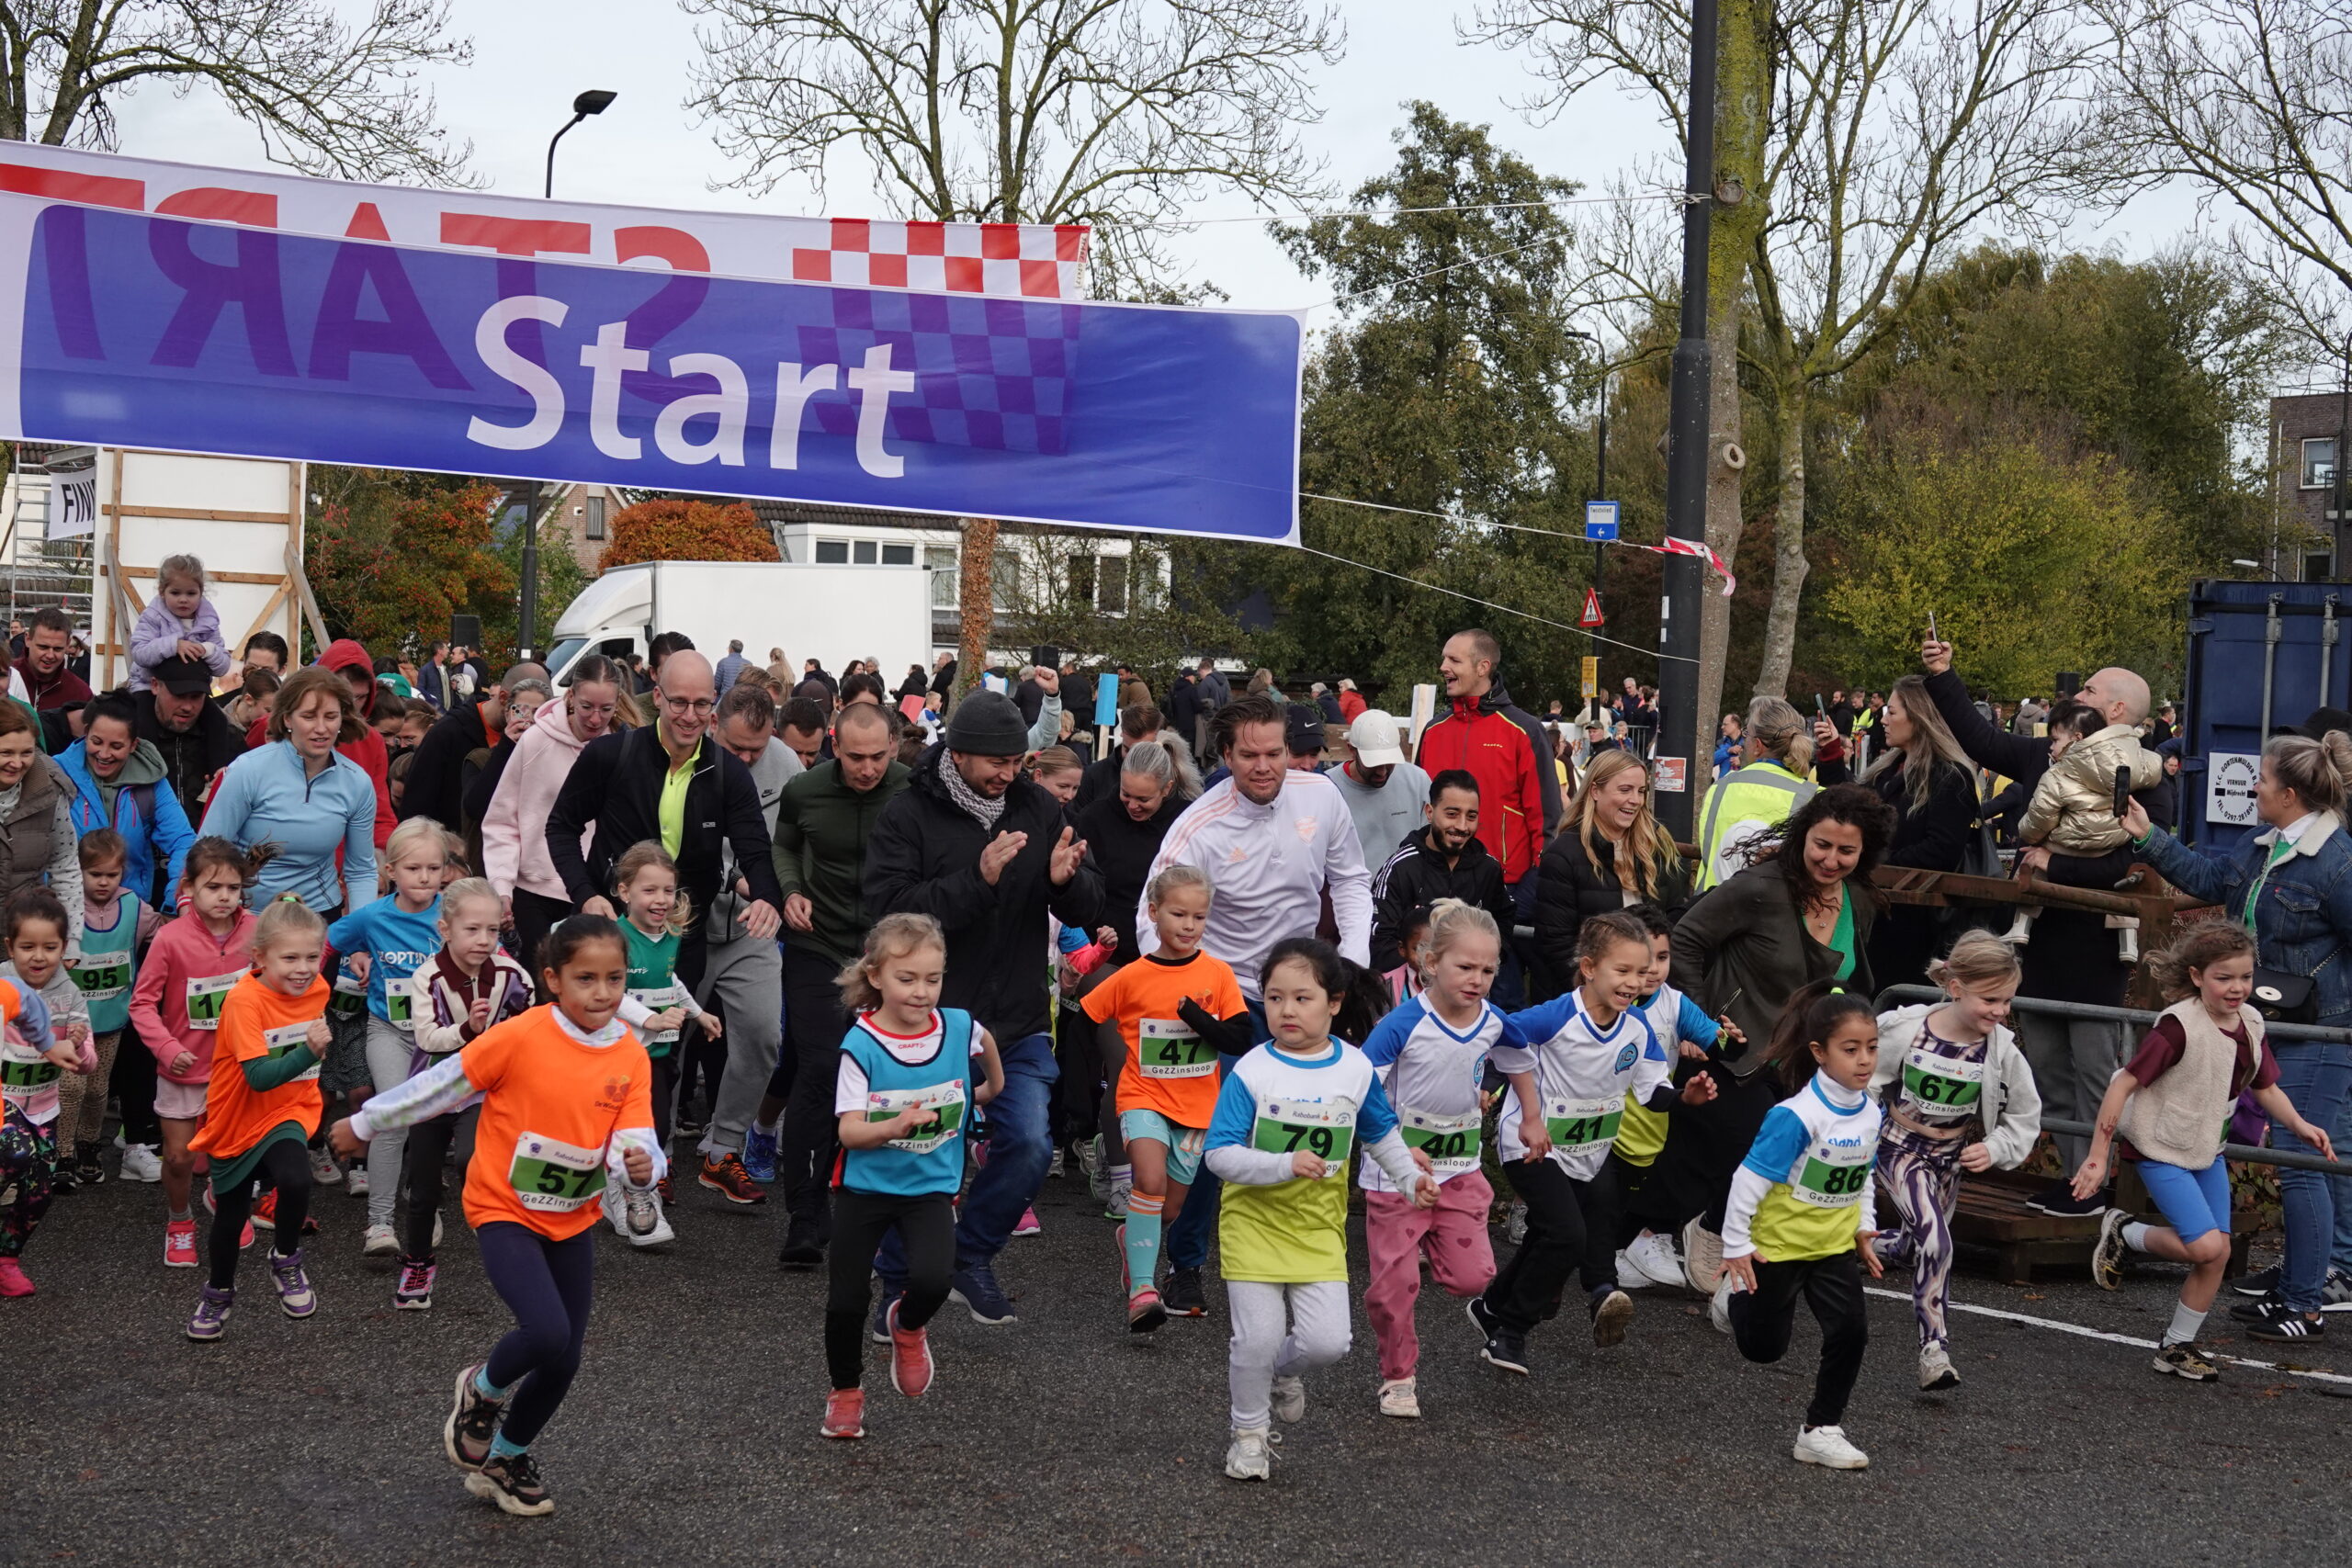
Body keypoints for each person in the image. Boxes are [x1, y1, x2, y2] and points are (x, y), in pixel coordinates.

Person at [332, 914, 664, 1517]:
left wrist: (641, 1165)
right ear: (553, 979)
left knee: (565, 1358)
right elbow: (443, 1084)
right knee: (547, 1331)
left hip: (572, 1213)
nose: (602, 992)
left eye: (615, 978)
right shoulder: (522, 1035)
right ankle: (482, 1389)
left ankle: (505, 1459)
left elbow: (634, 1132)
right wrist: (365, 1121)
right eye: (586, 978)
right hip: (503, 1205)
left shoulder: (629, 1053)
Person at [862, 689, 1103, 1325]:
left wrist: (1065, 882)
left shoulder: (1037, 806)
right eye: (997, 763)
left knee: (1029, 1143)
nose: (1008, 774)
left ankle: (967, 1257)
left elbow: (1088, 896)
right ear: (959, 754)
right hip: (931, 1024)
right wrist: (979, 879)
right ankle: (897, 1283)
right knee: (920, 1152)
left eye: (1018, 762)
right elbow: (888, 913)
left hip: (1018, 1019)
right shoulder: (907, 812)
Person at [1140, 692, 1374, 1317]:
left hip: (1300, 985)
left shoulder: (1321, 796)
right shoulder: (1199, 825)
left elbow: (1351, 878)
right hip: (1224, 993)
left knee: (1299, 1119)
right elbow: (1150, 912)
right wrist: (1180, 990)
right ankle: (1185, 1262)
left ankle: (1294, 1253)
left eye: (1275, 753)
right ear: (1226, 755)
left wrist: (1352, 960)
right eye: (1250, 756)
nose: (1265, 766)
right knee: (1212, 1134)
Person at [1921, 635, 2165, 1218]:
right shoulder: (2045, 755)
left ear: (2116, 710)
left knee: (2094, 1070)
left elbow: (2135, 857)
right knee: (2048, 1069)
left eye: (2089, 689)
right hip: (2036, 936)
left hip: (2099, 943)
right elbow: (1981, 740)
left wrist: (2056, 864)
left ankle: (2093, 1184)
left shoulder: (2145, 774)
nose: (2076, 694)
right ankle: (2071, 1181)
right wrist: (1943, 674)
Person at [2125, 732, 2352, 1336]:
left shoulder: (2338, 861)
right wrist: (2148, 836)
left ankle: (2304, 1303)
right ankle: (2306, 1284)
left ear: (2290, 793)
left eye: (2264, 778)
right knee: (2306, 1158)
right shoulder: (2264, 846)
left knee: (2299, 1161)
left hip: (2322, 1029)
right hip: (2268, 1020)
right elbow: (2211, 878)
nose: (2254, 787)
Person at [1648, 784, 1894, 1295]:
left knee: (1790, 1156)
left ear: (1864, 852)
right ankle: (1705, 1233)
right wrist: (1701, 1023)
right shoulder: (1760, 887)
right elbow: (1686, 940)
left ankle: (1733, 1251)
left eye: (1846, 850)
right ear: (1803, 836)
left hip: (1804, 1058)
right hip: (1737, 1049)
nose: (1830, 859)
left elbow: (1849, 978)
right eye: (1821, 845)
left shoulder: (1860, 901)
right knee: (1747, 1145)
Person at [1203, 938, 1432, 1482]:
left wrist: (1411, 1180)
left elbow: (1381, 1133)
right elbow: (1219, 1153)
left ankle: (1281, 1372)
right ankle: (1249, 1436)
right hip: (1253, 1224)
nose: (1287, 1010)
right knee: (1255, 1340)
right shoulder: (1253, 1070)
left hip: (1319, 1229)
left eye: (1302, 998)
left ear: (1334, 1003)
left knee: (1328, 1343)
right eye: (1275, 998)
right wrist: (1283, 1164)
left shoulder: (1353, 1068)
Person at [1473, 910, 1716, 1377]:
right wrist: (1489, 1085)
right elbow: (1497, 1035)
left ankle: (1492, 1306)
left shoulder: (1637, 1029)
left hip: (1590, 1153)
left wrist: (1685, 1097)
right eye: (1622, 970)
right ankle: (1510, 1331)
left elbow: (1653, 1092)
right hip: (1532, 1145)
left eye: (1642, 972)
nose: (1634, 982)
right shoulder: (1554, 1017)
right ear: (1589, 968)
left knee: (1550, 1234)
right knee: (1568, 1235)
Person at [2084, 923, 2336, 1369]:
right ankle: (2127, 1232)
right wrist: (2097, 1156)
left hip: (2206, 1151)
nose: (2237, 988)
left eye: (2246, 977)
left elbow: (2265, 1087)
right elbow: (2122, 1084)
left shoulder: (2252, 1022)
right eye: (2224, 978)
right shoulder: (2178, 1028)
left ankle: (2176, 1346)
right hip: (2161, 1147)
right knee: (2205, 1248)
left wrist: (2301, 1125)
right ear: (2197, 976)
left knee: (2217, 1255)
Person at [543, 655, 784, 1077]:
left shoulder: (727, 772)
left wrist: (766, 896)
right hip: (611, 932)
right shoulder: (611, 754)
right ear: (657, 697)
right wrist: (585, 894)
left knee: (662, 1057)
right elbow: (561, 826)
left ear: (714, 703)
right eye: (678, 702)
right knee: (593, 1050)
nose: (690, 716)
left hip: (679, 940)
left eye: (701, 704)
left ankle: (656, 1122)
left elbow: (755, 848)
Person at [818, 913, 1004, 1439]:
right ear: (876, 976)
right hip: (865, 1189)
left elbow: (985, 1043)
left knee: (934, 1280)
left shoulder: (958, 1026)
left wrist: (990, 1088)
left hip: (930, 1188)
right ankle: (846, 1392)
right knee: (847, 1301)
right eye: (907, 979)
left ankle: (908, 1324)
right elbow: (850, 1131)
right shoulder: (861, 1045)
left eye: (933, 978)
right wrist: (893, 1125)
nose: (922, 992)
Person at [1360, 900, 1532, 1417]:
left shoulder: (1494, 1022)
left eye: (1488, 970)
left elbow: (1519, 1062)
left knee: (1472, 1279)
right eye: (1465, 967)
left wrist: (1532, 1116)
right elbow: (1361, 1086)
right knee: (1396, 1287)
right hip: (1395, 1174)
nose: (1477, 980)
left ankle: (1436, 1239)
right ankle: (1398, 1378)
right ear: (1430, 963)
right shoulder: (1402, 1024)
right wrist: (1395, 1145)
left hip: (1459, 1171)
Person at [1713, 982, 1884, 1472]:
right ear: (1819, 1052)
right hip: (1778, 1249)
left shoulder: (1871, 1110)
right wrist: (1736, 1246)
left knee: (1851, 1332)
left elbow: (1863, 1175)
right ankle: (1732, 1298)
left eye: (1871, 1047)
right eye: (1850, 1049)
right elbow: (1747, 1180)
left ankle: (1820, 1430)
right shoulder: (1796, 1116)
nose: (1864, 1060)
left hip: (1832, 1249)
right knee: (1764, 1349)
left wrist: (1864, 1227)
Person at [768, 700, 910, 1266]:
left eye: (877, 757)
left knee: (886, 1076)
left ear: (893, 746)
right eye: (855, 757)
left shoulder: (912, 790)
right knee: (821, 1068)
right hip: (818, 946)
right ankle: (804, 1215)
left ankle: (878, 1206)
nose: (867, 769)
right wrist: (790, 890)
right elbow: (783, 845)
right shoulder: (804, 790)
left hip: (888, 952)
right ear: (834, 745)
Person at [1869, 932, 2042, 1390]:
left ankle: (1858, 1242)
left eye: (2007, 1001)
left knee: (1916, 1249)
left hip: (1950, 1161)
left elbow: (2026, 1113)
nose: (2000, 1011)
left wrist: (1996, 1147)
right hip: (1900, 1148)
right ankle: (1934, 1352)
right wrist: (1858, 1131)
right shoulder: (1908, 1028)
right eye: (1990, 999)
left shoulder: (2001, 1050)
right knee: (1938, 1244)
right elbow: (1866, 1077)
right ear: (1955, 987)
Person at [1079, 863, 1246, 1333]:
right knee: (1148, 1181)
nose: (1189, 926)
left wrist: (1198, 1018)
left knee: (1167, 1209)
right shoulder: (1132, 976)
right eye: (1179, 914)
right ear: (1153, 913)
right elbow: (1085, 1017)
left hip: (1196, 1109)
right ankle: (1143, 1292)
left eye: (1199, 917)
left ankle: (1130, 1237)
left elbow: (1239, 1036)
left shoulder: (1218, 974)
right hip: (1143, 1095)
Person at [183, 895, 333, 1342]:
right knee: (231, 1218)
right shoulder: (243, 1001)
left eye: (312, 957)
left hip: (289, 1109)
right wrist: (310, 1051)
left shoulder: (319, 990)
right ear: (260, 957)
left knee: (297, 1179)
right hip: (237, 1115)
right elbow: (259, 1077)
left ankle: (286, 1258)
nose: (303, 969)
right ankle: (218, 1293)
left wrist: (309, 1055)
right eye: (290, 958)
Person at [395, 877, 532, 1312]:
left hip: (481, 1090)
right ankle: (418, 1262)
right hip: (433, 1089)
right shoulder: (427, 977)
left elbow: (529, 1021)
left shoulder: (511, 974)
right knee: (422, 1190)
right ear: (445, 929)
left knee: (469, 1158)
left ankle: (495, 1220)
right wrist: (468, 1030)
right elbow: (427, 1037)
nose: (484, 940)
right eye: (472, 929)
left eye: (492, 930)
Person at [687, 681, 797, 1201]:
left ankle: (724, 1149)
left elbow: (793, 840)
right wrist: (737, 878)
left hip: (753, 925)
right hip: (684, 923)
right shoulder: (683, 759)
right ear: (713, 725)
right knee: (664, 1044)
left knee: (762, 1035)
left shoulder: (786, 764)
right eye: (737, 748)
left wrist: (783, 888)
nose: (749, 759)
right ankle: (648, 1156)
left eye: (759, 747)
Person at [131, 839, 264, 1268]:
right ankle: (179, 1220)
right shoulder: (169, 939)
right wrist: (166, 1048)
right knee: (178, 1156)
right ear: (189, 887)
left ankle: (226, 1203)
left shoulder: (257, 931)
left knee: (232, 1152)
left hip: (236, 1068)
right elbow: (142, 1003)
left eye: (233, 888)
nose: (225, 897)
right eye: (213, 887)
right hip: (183, 1066)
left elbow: (276, 986)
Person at [325, 818, 446, 1254]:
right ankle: (379, 1223)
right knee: (393, 1116)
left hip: (441, 1038)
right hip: (388, 1030)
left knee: (430, 1124)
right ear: (391, 871)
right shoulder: (374, 915)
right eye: (414, 868)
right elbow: (328, 940)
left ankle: (423, 1201)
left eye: (434, 868)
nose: (425, 877)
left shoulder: (452, 913)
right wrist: (356, 950)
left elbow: (492, 950)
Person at [481, 655, 631, 982]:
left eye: (606, 709)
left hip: (597, 892)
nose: (595, 718)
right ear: (571, 696)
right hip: (535, 891)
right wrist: (502, 886)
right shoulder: (536, 740)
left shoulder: (622, 749)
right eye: (587, 706)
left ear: (618, 703)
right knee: (542, 991)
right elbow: (502, 820)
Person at [200, 667, 378, 919]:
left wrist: (361, 931)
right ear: (287, 719)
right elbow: (207, 851)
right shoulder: (248, 770)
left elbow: (361, 870)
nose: (321, 728)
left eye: (330, 716)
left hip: (317, 916)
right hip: (245, 915)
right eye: (309, 716)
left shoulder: (357, 783)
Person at [1413, 630, 1557, 931]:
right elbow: (1418, 806)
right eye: (1444, 659)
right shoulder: (1434, 730)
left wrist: (1531, 886)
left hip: (1505, 885)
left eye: (1454, 660)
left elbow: (1546, 818)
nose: (1443, 667)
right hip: (1436, 880)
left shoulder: (1524, 730)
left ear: (1483, 667)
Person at [2002, 699, 2159, 961]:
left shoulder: (2058, 774)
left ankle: (2020, 924)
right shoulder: (2128, 764)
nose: (2051, 747)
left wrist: (2028, 834)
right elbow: (2153, 767)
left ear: (2076, 738)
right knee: (2122, 887)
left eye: (2055, 740)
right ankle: (2128, 942)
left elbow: (2040, 818)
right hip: (2113, 841)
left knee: (2032, 863)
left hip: (2067, 845)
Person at [1860, 675, 1984, 988]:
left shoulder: (1950, 775)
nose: (1883, 720)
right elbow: (1851, 808)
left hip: (1919, 926)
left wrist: (1875, 864)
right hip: (1876, 914)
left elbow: (1942, 849)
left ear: (1918, 716)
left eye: (1891, 712)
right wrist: (1832, 757)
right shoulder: (1887, 769)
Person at [1534, 750, 1691, 993]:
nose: (1635, 800)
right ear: (1595, 791)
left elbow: (1673, 917)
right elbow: (1557, 944)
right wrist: (1604, 991)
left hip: (1650, 993)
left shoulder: (1656, 845)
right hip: (1589, 996)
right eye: (1625, 790)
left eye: (1641, 791)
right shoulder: (1563, 854)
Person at [52, 830, 157, 1188]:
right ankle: (62, 1153)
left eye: (111, 874)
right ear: (78, 871)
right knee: (70, 1088)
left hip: (112, 1020)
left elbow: (163, 934)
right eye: (94, 874)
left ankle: (88, 1147)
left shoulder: (135, 907)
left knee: (97, 1091)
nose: (103, 882)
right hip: (71, 1024)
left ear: (123, 872)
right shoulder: (64, 908)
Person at [59, 689, 195, 912]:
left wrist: (175, 901)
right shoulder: (58, 775)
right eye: (96, 742)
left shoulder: (151, 781)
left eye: (116, 746)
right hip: (66, 911)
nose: (104, 754)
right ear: (85, 734)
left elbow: (183, 841)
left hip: (130, 914)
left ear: (133, 745)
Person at [0, 895, 74, 1295]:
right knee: (16, 1154)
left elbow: (27, 1005)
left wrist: (50, 1045)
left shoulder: (9, 989)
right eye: (27, 946)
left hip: (42, 1105)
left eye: (49, 946)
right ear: (10, 947)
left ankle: (6, 1260)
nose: (39, 956)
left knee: (40, 1192)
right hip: (5, 1101)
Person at [1368, 771, 1514, 974]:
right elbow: (1380, 943)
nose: (1462, 826)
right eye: (1452, 814)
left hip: (1470, 987)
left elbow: (1503, 922)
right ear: (1429, 812)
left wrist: (1485, 962)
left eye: (1471, 816)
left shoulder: (1488, 869)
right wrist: (1431, 975)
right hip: (1411, 988)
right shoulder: (1400, 868)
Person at [404, 662, 546, 832]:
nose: (531, 720)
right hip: (452, 840)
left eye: (541, 713)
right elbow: (417, 803)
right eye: (523, 710)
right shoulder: (449, 732)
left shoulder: (538, 741)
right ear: (503, 698)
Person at [1696, 695, 1816, 892]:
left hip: (1710, 904)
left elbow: (1707, 849)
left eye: (1747, 735)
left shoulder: (1720, 788)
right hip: (1779, 906)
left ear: (1758, 746)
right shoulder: (1815, 798)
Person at [0, 702, 80, 953]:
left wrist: (70, 939)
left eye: (26, 753)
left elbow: (65, 863)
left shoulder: (48, 789)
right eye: (6, 753)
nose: (17, 763)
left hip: (25, 939)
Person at [132, 656, 245, 822]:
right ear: (155, 685)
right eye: (179, 695)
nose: (187, 707)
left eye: (196, 697)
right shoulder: (127, 738)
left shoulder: (230, 741)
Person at [1328, 710, 1430, 868]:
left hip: (1410, 883)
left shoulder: (1418, 781)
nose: (1382, 772)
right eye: (1373, 763)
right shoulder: (1329, 788)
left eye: (1389, 762)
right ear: (1352, 750)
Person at [127, 554, 227, 694]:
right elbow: (139, 653)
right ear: (162, 592)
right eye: (175, 593)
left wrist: (207, 649)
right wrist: (173, 646)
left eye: (191, 593)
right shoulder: (153, 616)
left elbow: (223, 667)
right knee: (145, 708)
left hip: (194, 690)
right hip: (151, 688)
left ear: (201, 592)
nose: (183, 599)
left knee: (214, 710)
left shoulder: (208, 622)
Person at [19, 607, 90, 738]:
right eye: (43, 647)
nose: (50, 655)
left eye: (57, 649)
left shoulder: (80, 693)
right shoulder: (7, 679)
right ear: (28, 639)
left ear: (68, 644)